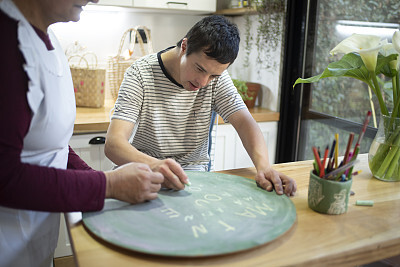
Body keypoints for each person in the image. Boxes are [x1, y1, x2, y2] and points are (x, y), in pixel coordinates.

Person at [0, 0, 170, 266]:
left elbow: (51, 143)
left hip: (32, 235)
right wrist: (109, 185)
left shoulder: (48, 36)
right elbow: (5, 177)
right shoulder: (7, 45)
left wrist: (97, 178)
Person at [105, 15, 297, 196]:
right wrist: (158, 166)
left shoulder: (216, 79)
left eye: (213, 75)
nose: (203, 82)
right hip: (144, 173)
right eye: (199, 69)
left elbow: (245, 123)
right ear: (185, 46)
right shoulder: (140, 74)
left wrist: (264, 167)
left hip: (193, 178)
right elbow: (114, 145)